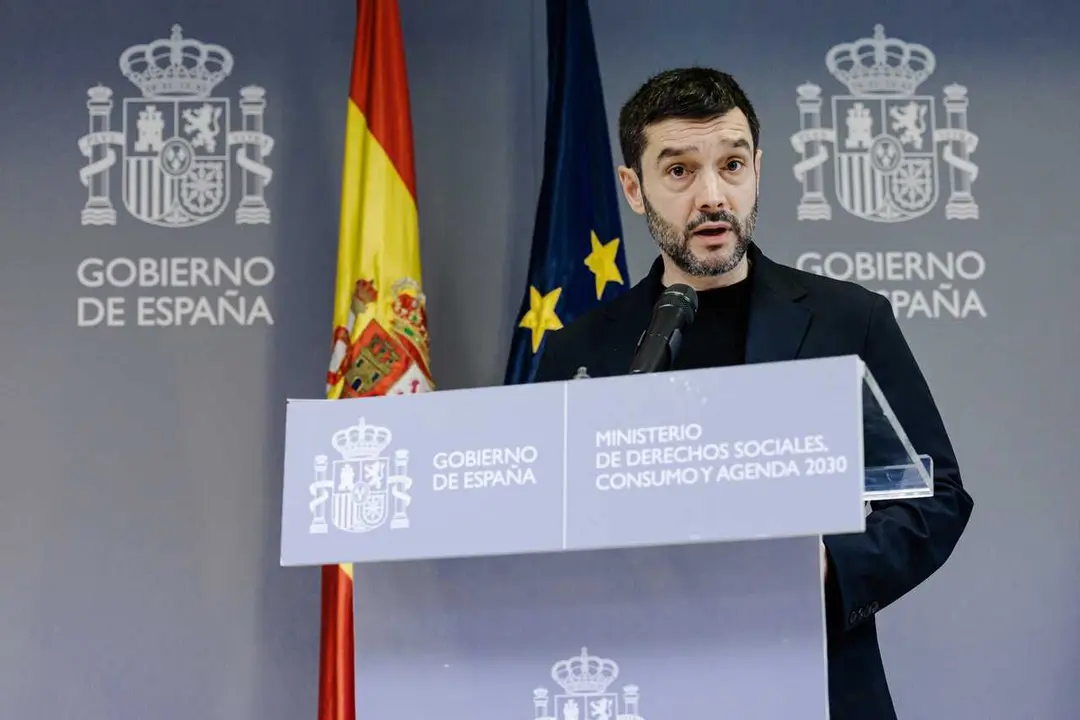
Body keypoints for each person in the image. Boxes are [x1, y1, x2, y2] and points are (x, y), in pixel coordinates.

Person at [533, 67, 974, 720]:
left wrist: (827, 567)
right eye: (679, 171)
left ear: (757, 169)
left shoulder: (847, 319)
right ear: (634, 186)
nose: (712, 196)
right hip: (636, 684)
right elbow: (540, 526)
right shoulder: (581, 353)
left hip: (818, 682)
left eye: (732, 165)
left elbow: (937, 497)